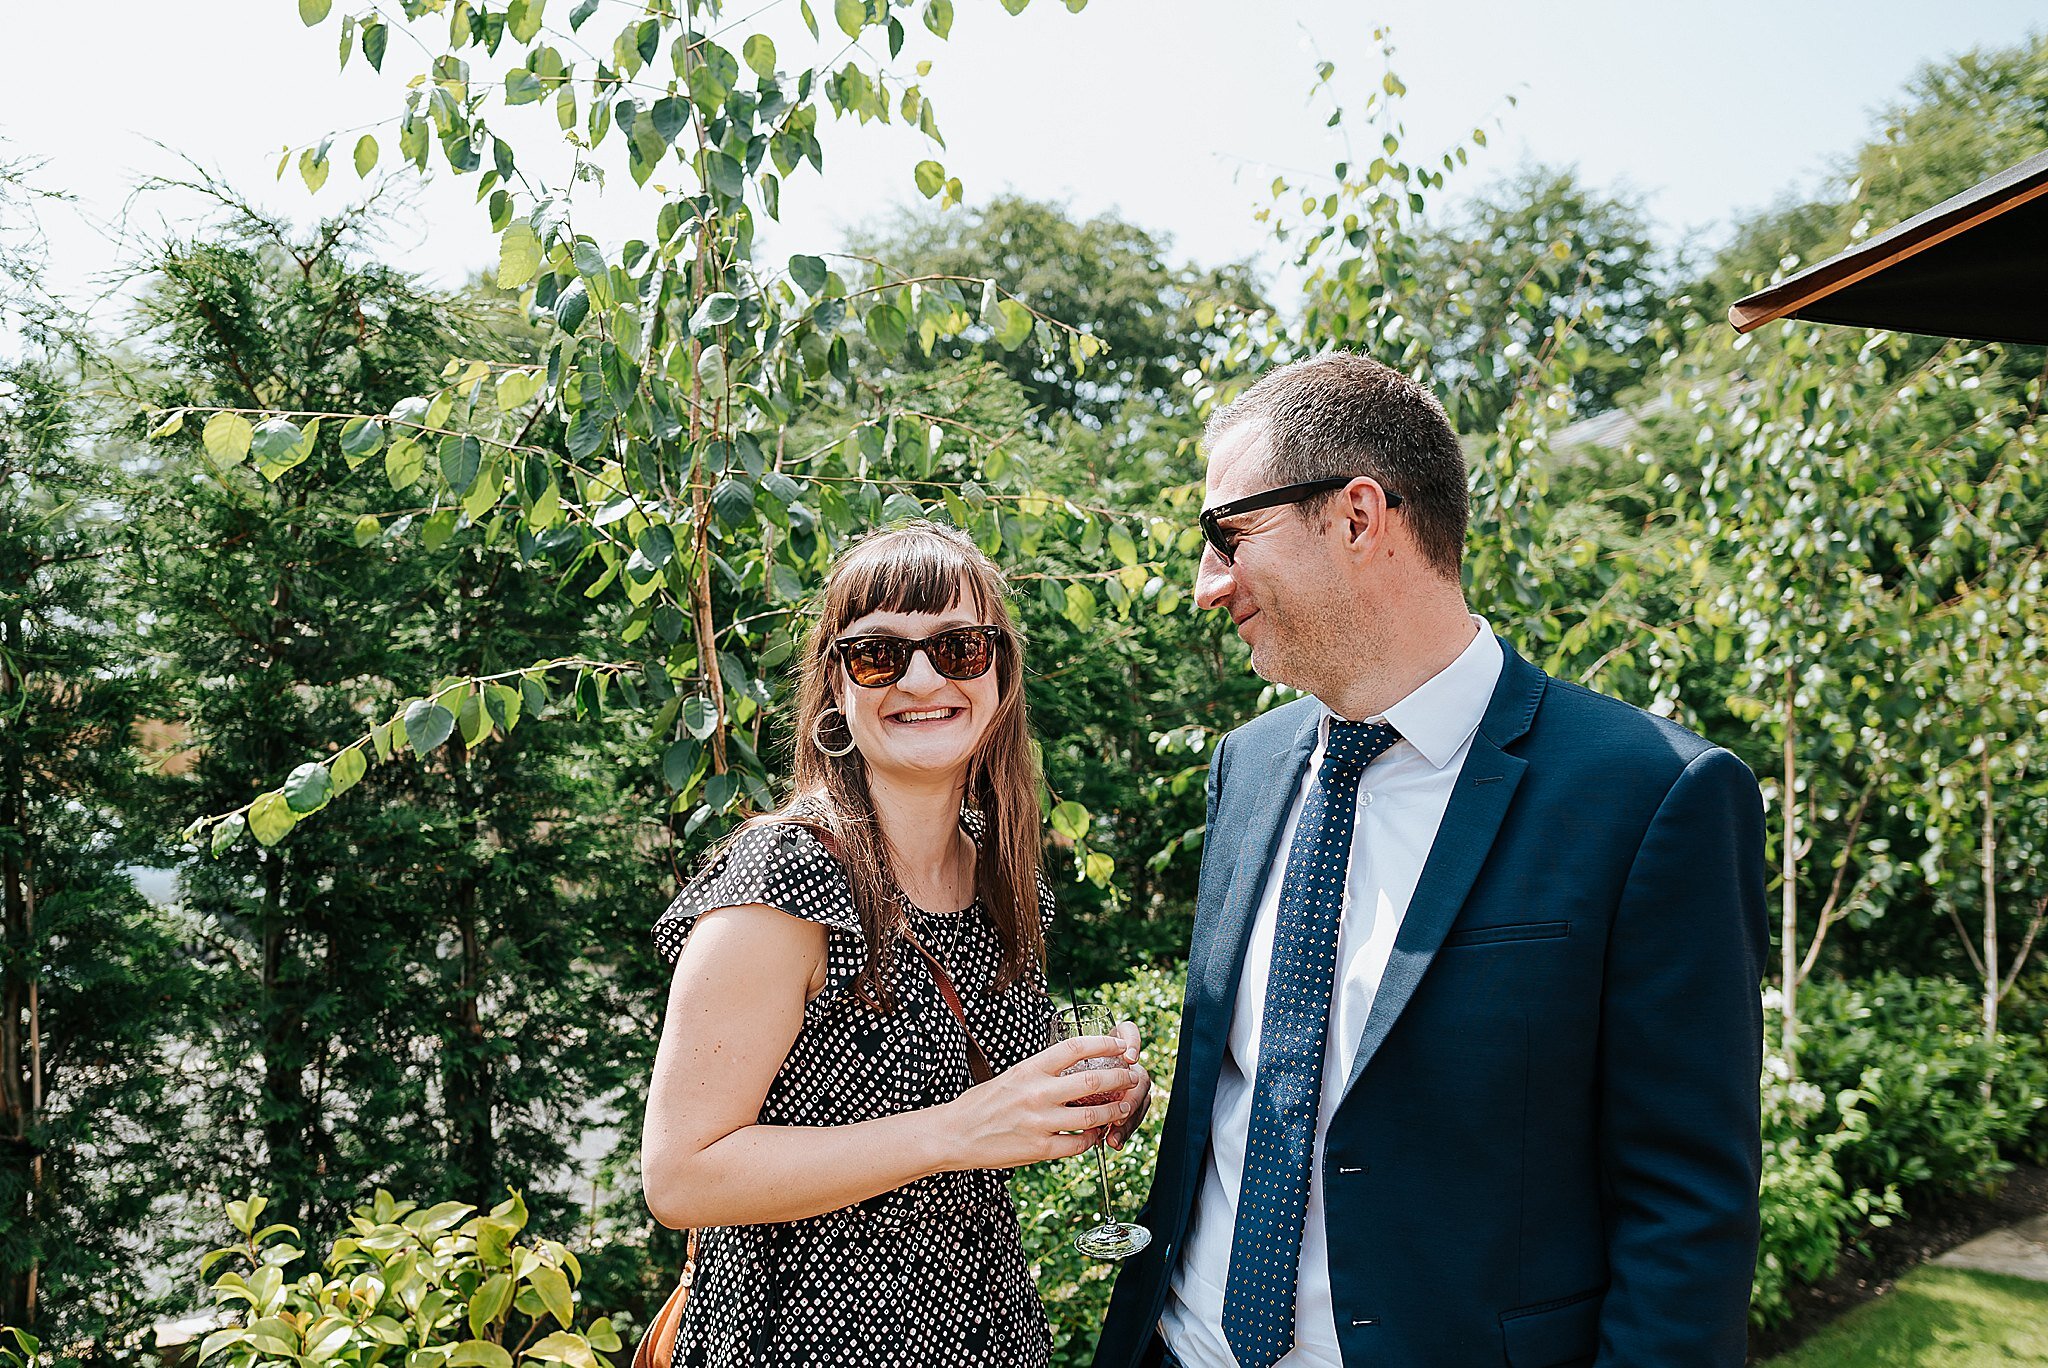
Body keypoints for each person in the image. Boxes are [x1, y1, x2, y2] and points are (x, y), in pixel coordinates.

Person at [1094, 353, 1768, 1368]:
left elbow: (1687, 1214)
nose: (1206, 586)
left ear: (1357, 517)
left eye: (1227, 537)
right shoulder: (1249, 764)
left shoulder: (1651, 796)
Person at [642, 521, 1150, 1367]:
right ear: (836, 688)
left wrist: (1083, 1094)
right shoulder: (787, 876)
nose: (922, 678)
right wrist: (959, 1129)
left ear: (999, 677)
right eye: (879, 654)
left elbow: (976, 1098)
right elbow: (681, 1175)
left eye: (958, 648)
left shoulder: (1005, 878)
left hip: (989, 1337)